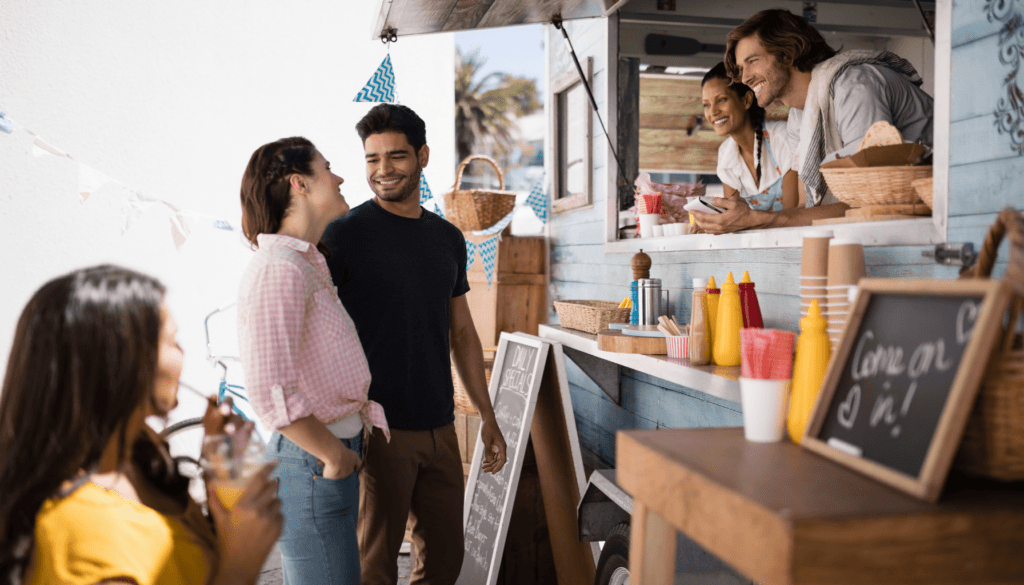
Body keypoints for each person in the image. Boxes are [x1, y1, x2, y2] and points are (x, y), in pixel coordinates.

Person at [0, 265, 282, 585]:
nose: (183, 354)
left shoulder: (139, 456)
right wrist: (240, 568)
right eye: (173, 341)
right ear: (124, 361)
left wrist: (223, 476)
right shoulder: (82, 530)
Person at [321, 103, 507, 585]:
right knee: (374, 565)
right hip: (377, 428)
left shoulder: (447, 237)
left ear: (423, 156)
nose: (383, 170)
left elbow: (461, 332)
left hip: (440, 425)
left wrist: (487, 416)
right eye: (372, 159)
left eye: (396, 156)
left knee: (445, 560)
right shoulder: (343, 235)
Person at [238, 137, 390, 584]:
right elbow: (271, 392)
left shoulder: (306, 263)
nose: (341, 177)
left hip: (325, 460)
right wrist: (333, 458)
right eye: (328, 168)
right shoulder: (279, 269)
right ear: (299, 183)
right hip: (311, 465)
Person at [693, 8, 934, 234]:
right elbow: (804, 209)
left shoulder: (853, 87)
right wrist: (748, 220)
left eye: (752, 61)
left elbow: (870, 204)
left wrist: (762, 219)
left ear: (787, 52)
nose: (744, 77)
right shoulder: (800, 114)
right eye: (740, 68)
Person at [702, 62, 798, 214]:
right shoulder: (726, 154)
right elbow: (733, 216)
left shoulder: (781, 138)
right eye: (706, 105)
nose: (713, 111)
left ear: (746, 100)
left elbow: (791, 214)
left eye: (721, 100)